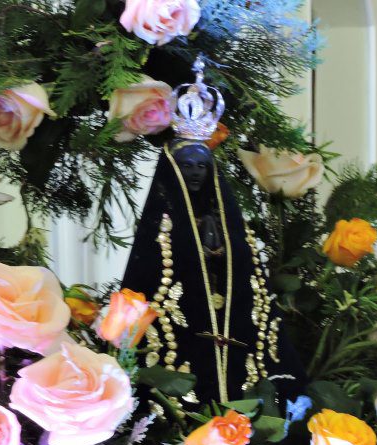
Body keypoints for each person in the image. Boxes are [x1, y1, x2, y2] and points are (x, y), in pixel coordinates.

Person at [121, 61, 304, 406]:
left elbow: (250, 287)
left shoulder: (226, 223)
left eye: (201, 166)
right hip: (182, 348)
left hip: (233, 351)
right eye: (186, 165)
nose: (194, 174)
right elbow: (151, 281)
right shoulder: (160, 228)